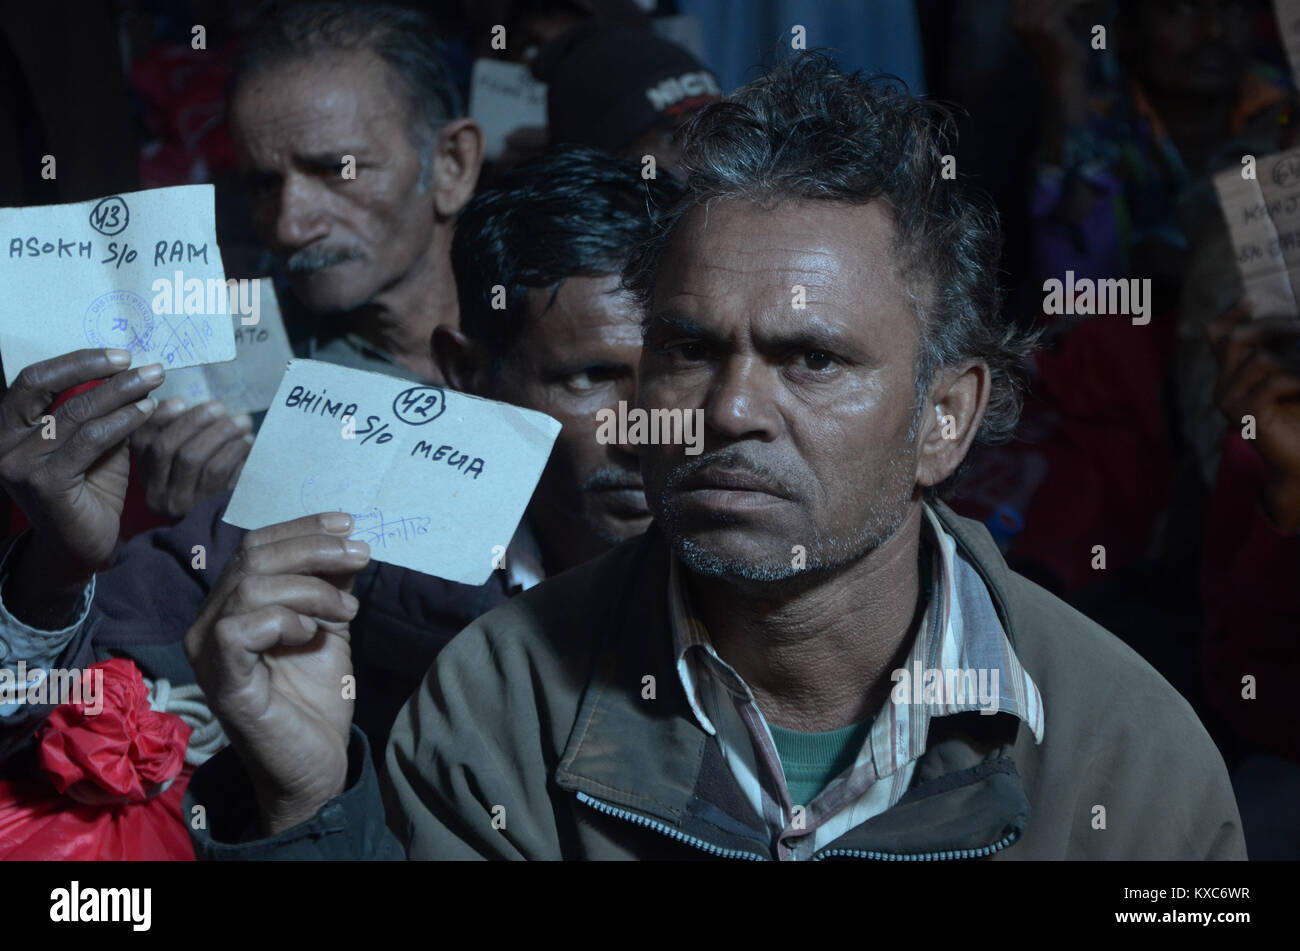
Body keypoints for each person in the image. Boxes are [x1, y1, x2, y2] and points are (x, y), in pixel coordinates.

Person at [183, 54, 1247, 859]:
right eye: (688, 349)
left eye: (811, 359)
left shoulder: (1127, 753)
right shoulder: (496, 703)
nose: (729, 408)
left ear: (945, 419)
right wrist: (305, 812)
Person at [0, 145, 677, 767]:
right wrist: (55, 570)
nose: (646, 427)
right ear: (469, 377)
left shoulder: (766, 544)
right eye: (588, 376)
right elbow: (45, 715)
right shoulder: (342, 516)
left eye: (680, 367)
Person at [128, 1, 484, 520]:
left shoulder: (560, 332)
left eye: (336, 171)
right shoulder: (235, 401)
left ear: (452, 164)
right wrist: (210, 534)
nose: (289, 226)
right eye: (263, 184)